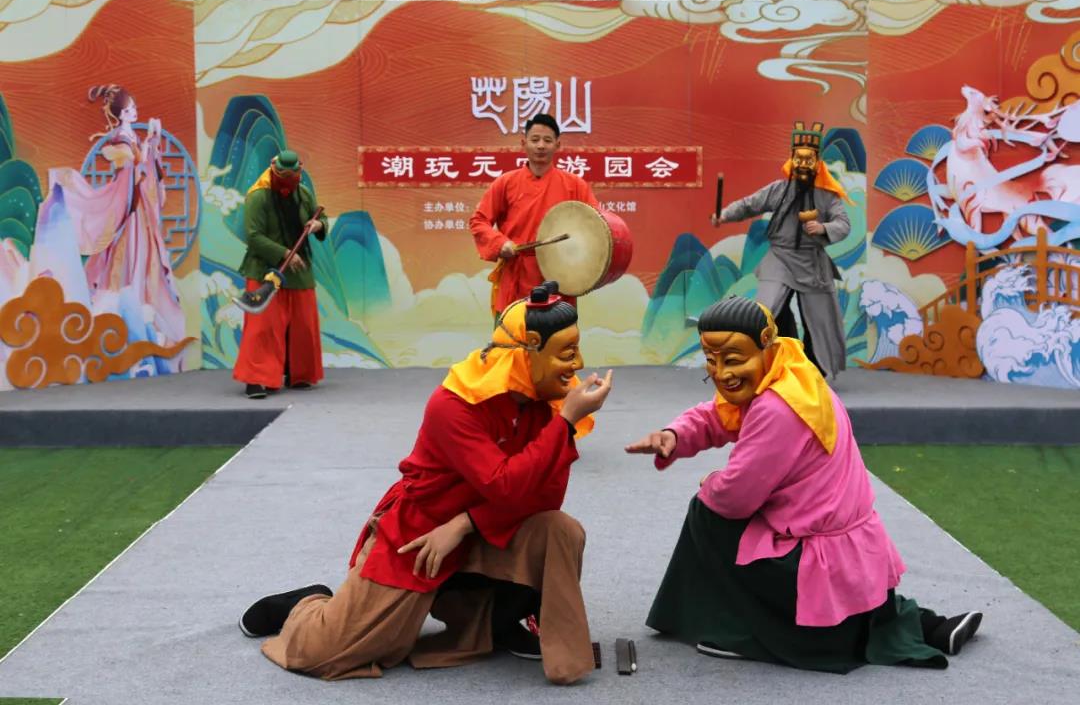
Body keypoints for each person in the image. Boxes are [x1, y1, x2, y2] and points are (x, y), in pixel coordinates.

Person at [239, 283, 613, 685]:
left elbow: (546, 496)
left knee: (559, 531)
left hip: (483, 529)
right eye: (566, 353)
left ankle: (499, 626)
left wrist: (464, 524)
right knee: (324, 653)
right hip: (421, 532)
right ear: (529, 350)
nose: (578, 363)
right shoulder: (453, 405)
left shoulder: (547, 407)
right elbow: (504, 485)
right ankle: (308, 604)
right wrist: (565, 423)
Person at [626, 296, 983, 673]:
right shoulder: (791, 372)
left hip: (814, 555)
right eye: (711, 360)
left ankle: (745, 633)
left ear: (765, 344)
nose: (720, 373)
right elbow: (719, 414)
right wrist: (675, 434)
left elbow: (735, 498)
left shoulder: (777, 408)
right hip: (848, 550)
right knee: (719, 504)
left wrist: (710, 482)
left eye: (732, 359)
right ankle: (926, 626)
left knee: (708, 511)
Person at [34, 84, 187, 371]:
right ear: (121, 114)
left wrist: (151, 142)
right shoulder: (119, 140)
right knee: (124, 259)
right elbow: (130, 173)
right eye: (130, 109)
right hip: (128, 209)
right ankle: (125, 309)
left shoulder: (131, 137)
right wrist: (147, 145)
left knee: (143, 258)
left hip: (138, 210)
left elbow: (143, 167)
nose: (134, 112)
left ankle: (143, 308)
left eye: (134, 107)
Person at [712, 121, 851, 380]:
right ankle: (765, 364)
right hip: (780, 258)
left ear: (817, 163)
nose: (803, 164)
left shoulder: (828, 195)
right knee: (766, 310)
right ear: (792, 160)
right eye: (799, 159)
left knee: (819, 319)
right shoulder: (779, 189)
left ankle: (816, 370)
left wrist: (823, 227)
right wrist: (725, 215)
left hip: (812, 263)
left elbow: (843, 224)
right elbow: (750, 204)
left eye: (809, 160)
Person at [470, 113, 598, 316]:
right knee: (511, 335)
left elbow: (596, 224)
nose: (541, 146)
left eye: (547, 140)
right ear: (524, 143)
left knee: (559, 335)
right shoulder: (506, 183)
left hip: (559, 280)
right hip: (516, 276)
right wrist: (499, 243)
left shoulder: (575, 185)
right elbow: (479, 221)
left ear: (557, 145)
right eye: (535, 139)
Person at [232, 150, 328, 398]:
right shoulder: (258, 196)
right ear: (273, 170)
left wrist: (318, 225)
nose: (288, 180)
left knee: (304, 325)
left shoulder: (303, 194)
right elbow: (254, 236)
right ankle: (257, 379)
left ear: (299, 172)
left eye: (292, 175)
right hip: (264, 269)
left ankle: (298, 373)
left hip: (298, 269)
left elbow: (321, 216)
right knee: (263, 326)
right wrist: (284, 253)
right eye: (282, 175)